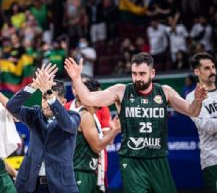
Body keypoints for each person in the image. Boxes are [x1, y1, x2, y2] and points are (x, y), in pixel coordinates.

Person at [64, 52, 207, 193]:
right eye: (134, 73)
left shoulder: (165, 92)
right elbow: (88, 98)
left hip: (158, 159)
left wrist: (198, 100)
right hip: (132, 160)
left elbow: (191, 111)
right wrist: (76, 78)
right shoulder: (121, 91)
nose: (137, 78)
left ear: (152, 73)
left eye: (142, 74)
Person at [6, 64, 81, 193]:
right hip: (31, 185)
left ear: (62, 102)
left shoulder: (73, 117)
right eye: (44, 98)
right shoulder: (35, 114)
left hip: (60, 186)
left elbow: (67, 125)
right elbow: (12, 106)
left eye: (50, 98)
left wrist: (48, 92)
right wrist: (34, 86)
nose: (46, 103)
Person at [71, 78, 120, 192]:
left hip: (91, 171)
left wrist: (113, 130)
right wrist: (115, 131)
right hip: (81, 173)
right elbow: (97, 146)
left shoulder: (91, 115)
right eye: (100, 94)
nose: (103, 97)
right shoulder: (86, 116)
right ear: (91, 96)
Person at [186, 52, 217, 192]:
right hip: (212, 160)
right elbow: (206, 125)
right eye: (207, 68)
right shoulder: (192, 97)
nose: (213, 71)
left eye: (213, 67)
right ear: (197, 71)